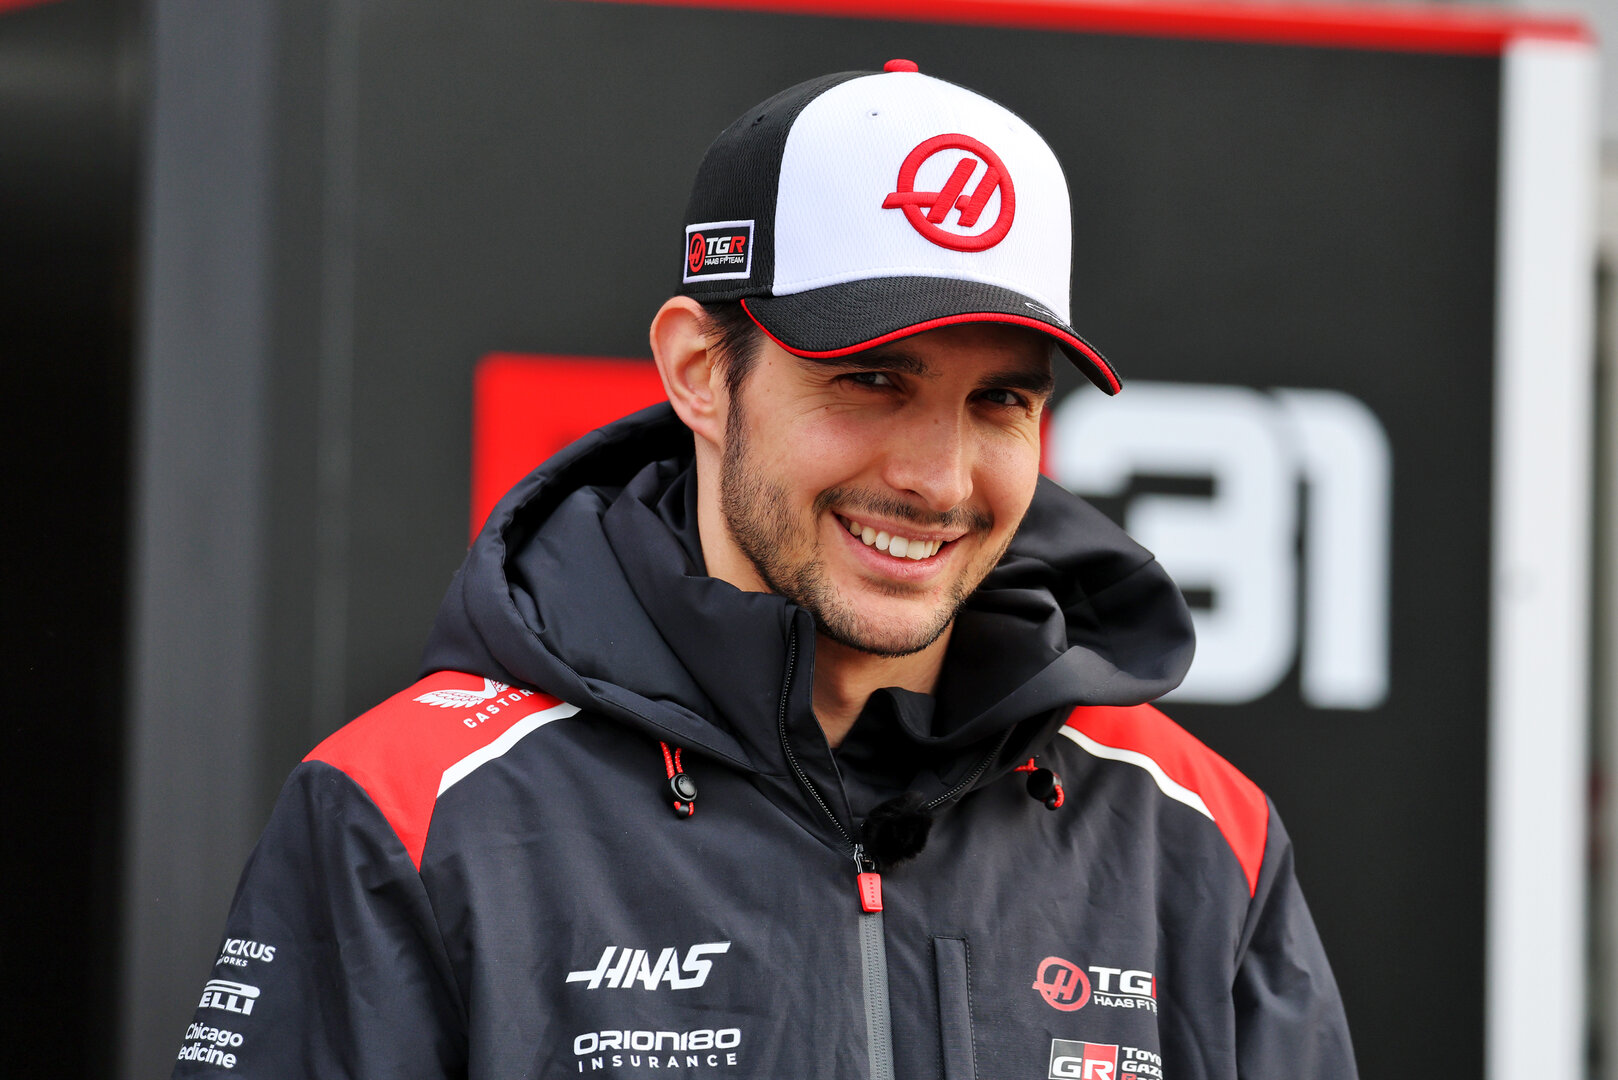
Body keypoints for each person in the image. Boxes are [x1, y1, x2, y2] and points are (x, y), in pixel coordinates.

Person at [172, 61, 1356, 1079]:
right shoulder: (409, 813)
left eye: (999, 400)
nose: (940, 480)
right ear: (698, 371)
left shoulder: (1196, 834)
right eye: (872, 382)